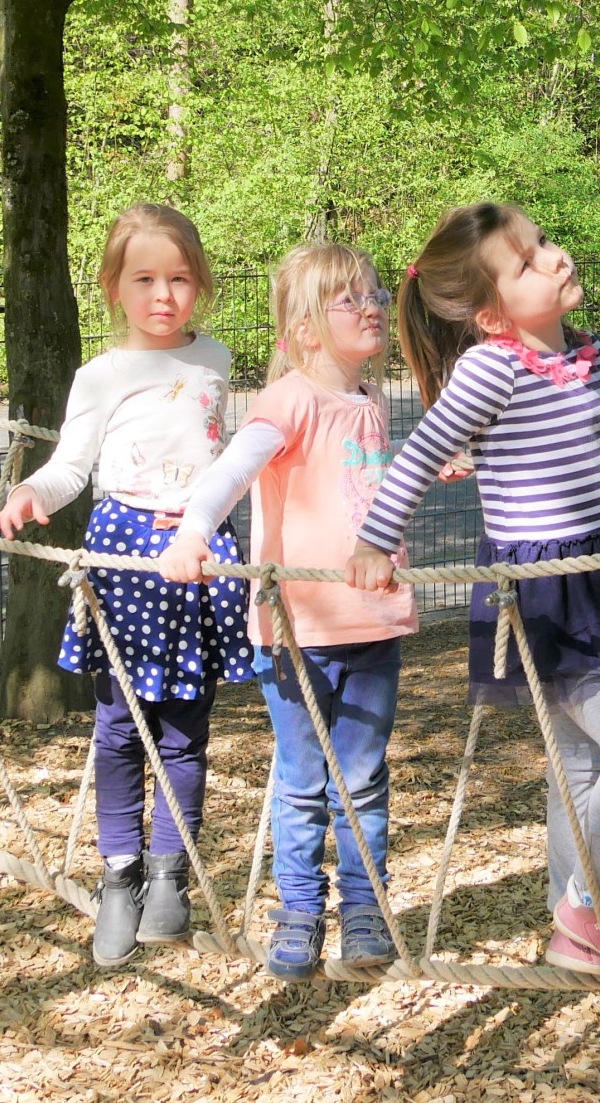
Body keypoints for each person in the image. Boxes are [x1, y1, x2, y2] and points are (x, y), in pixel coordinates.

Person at [348, 203, 600, 985]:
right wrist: (375, 539)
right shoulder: (491, 368)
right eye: (527, 261)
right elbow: (419, 455)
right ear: (490, 313)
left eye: (544, 240)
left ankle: (573, 923)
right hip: (542, 588)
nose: (554, 256)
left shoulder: (587, 356)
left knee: (578, 762)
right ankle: (594, 900)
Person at [0, 203, 248, 967]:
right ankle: (118, 874)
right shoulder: (102, 374)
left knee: (185, 729)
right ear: (114, 288)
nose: (163, 294)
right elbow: (73, 465)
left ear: (198, 285)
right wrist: (34, 494)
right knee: (121, 726)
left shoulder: (217, 361)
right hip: (126, 557)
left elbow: (223, 460)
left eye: (179, 279)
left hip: (198, 557)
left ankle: (171, 872)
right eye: (144, 279)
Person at [175, 242, 416, 982]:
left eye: (376, 292)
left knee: (366, 776)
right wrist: (194, 528)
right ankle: (301, 912)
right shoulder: (289, 400)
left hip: (373, 618)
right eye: (353, 299)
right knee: (305, 777)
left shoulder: (370, 402)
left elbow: (367, 483)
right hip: (297, 627)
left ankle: (366, 909)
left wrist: (432, 464)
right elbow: (234, 469)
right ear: (307, 329)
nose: (374, 305)